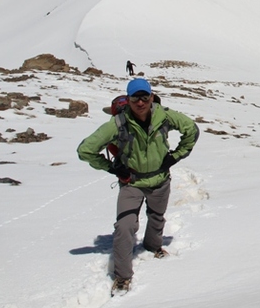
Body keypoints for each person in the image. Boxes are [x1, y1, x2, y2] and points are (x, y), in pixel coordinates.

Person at [77, 78, 200, 294]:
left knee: (156, 216)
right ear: (129, 99)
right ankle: (123, 277)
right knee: (124, 227)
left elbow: (191, 130)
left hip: (160, 179)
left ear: (151, 97)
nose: (140, 102)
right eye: (135, 97)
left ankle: (153, 246)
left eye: (145, 96)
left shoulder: (164, 116)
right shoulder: (119, 123)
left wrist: (175, 157)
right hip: (131, 182)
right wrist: (113, 169)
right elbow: (85, 150)